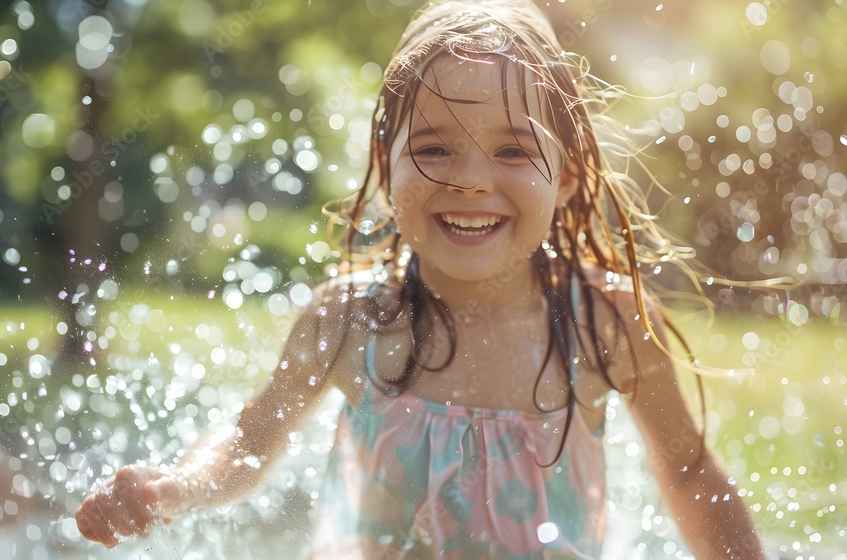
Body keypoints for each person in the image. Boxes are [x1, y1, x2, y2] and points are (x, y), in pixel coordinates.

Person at [76, 1, 767, 557]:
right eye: (434, 147)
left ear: (570, 173)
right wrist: (178, 487)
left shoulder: (604, 325)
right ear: (386, 161)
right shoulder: (352, 319)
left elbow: (688, 473)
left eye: (513, 148)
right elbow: (252, 439)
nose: (469, 179)